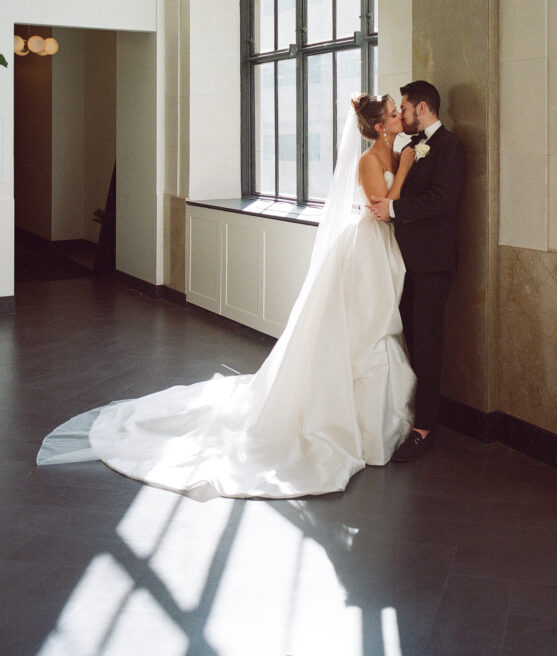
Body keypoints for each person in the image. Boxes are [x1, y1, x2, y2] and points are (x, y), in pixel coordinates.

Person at [36, 94, 416, 499]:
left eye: (399, 112)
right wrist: (407, 168)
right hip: (365, 244)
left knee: (376, 322)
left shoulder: (392, 153)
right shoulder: (370, 161)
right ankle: (342, 419)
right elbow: (381, 206)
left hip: (384, 247)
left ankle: (380, 418)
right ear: (380, 127)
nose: (400, 118)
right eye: (394, 114)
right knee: (362, 321)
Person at [368, 80, 466, 461]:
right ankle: (404, 413)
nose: (403, 116)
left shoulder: (451, 147)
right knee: (405, 338)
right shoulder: (409, 148)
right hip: (404, 264)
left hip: (433, 264)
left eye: (405, 109)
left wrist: (393, 210)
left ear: (422, 108)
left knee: (427, 343)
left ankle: (424, 427)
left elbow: (443, 201)